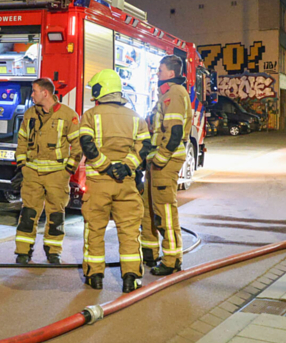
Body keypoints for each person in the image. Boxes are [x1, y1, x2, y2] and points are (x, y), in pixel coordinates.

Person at [78, 69, 151, 292]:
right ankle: (131, 278)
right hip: (126, 183)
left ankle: (95, 276)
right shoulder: (135, 117)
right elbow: (145, 147)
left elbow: (87, 145)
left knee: (95, 229)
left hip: (99, 182)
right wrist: (125, 166)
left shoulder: (91, 115)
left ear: (101, 90)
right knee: (129, 230)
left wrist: (106, 166)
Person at [13, 78, 81, 264]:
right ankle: (23, 252)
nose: (32, 94)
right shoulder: (30, 114)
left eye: (34, 91)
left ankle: (53, 252)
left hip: (57, 176)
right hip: (32, 174)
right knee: (28, 213)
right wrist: (23, 165)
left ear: (45, 93)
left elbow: (78, 145)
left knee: (56, 215)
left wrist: (68, 169)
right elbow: (21, 141)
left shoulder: (68, 115)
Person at [141, 55, 193, 275]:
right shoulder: (166, 95)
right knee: (148, 208)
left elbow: (174, 133)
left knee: (164, 211)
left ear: (171, 73)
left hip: (166, 160)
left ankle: (172, 260)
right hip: (157, 161)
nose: (157, 73)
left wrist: (161, 159)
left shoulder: (174, 94)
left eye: (160, 70)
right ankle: (150, 253)